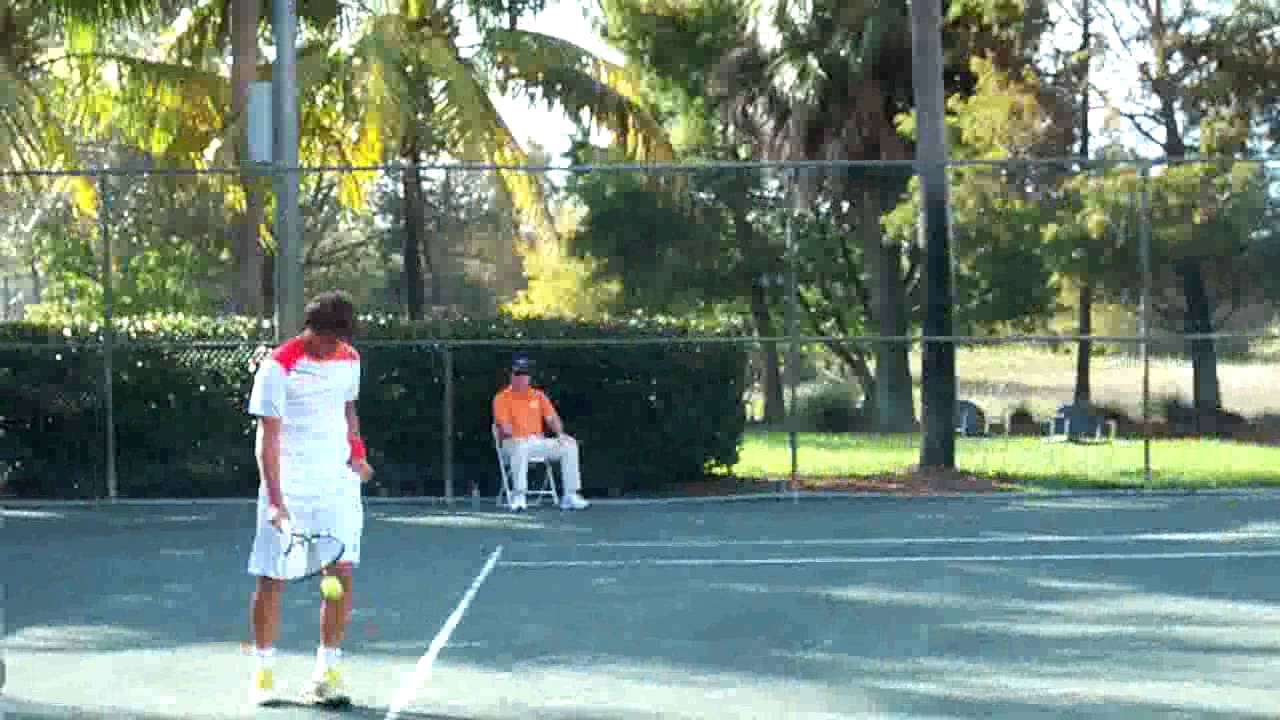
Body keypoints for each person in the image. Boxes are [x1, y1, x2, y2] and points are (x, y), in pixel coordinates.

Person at [245, 291, 371, 707]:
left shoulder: (350, 359)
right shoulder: (278, 367)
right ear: (311, 330)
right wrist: (276, 500)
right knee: (272, 579)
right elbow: (268, 437)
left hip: (337, 487)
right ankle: (263, 676)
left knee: (340, 577)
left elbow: (348, 409)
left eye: (341, 339)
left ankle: (325, 677)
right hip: (290, 487)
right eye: (330, 339)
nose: (336, 347)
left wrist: (357, 452)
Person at [492, 353, 590, 511]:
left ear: (529, 377)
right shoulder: (501, 398)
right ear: (511, 376)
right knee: (520, 446)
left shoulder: (538, 396)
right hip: (512, 444)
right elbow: (504, 428)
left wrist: (560, 434)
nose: (522, 378)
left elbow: (552, 419)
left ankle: (570, 495)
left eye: (525, 374)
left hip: (537, 442)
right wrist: (511, 431)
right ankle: (519, 496)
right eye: (518, 374)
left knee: (570, 445)